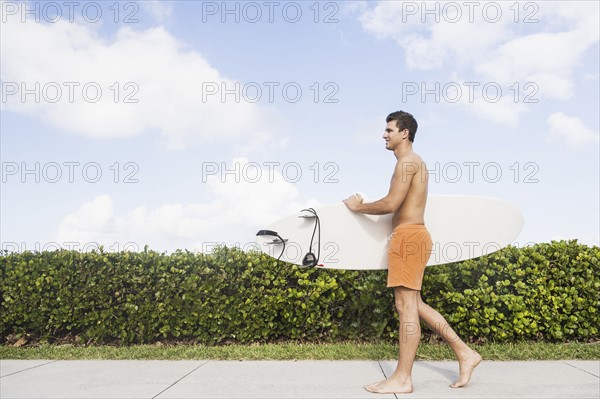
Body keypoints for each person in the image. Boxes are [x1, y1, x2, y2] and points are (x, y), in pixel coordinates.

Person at [343, 111, 482, 394]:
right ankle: (465, 353)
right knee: (414, 305)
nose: (384, 134)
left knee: (405, 308)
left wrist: (359, 207)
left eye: (389, 129)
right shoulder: (412, 162)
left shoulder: (408, 162)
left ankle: (403, 378)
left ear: (404, 133)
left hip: (409, 239)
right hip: (409, 237)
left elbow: (392, 203)